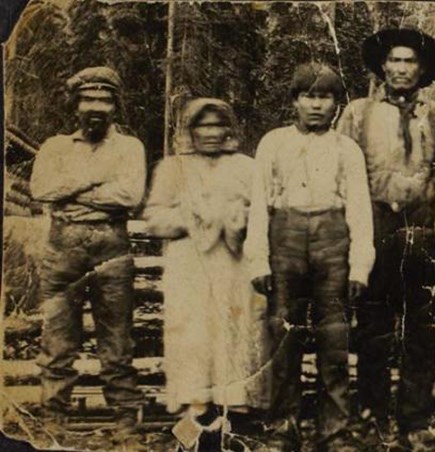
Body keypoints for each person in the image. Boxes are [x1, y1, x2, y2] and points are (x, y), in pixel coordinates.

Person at [244, 63, 375, 451]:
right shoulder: (273, 143)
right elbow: (257, 206)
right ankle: (284, 427)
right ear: (294, 101)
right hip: (285, 239)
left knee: (334, 339)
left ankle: (335, 430)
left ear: (336, 104)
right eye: (308, 96)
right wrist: (259, 260)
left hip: (332, 243)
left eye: (325, 97)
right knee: (283, 340)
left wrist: (360, 266)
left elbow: (360, 210)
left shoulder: (346, 149)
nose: (316, 105)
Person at [337, 27, 435, 448]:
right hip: (375, 226)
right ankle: (372, 413)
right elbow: (345, 172)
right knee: (373, 327)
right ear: (383, 66)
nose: (402, 69)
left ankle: (415, 418)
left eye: (410, 61)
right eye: (395, 61)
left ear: (421, 70)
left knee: (421, 328)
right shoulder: (358, 113)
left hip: (422, 229)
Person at [143, 98, 271, 450]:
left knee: (236, 328)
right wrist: (191, 215)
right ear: (190, 129)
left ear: (229, 129)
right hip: (189, 265)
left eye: (218, 125)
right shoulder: (171, 168)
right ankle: (197, 410)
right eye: (203, 126)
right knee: (192, 332)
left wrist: (234, 217)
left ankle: (236, 410)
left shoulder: (247, 167)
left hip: (234, 262)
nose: (211, 133)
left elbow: (262, 213)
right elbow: (154, 218)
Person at [30, 66, 146, 442]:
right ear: (75, 104)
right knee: (58, 341)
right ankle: (53, 423)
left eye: (104, 100)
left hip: (111, 246)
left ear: (116, 106)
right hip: (63, 248)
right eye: (88, 99)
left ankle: (127, 425)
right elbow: (42, 189)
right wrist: (97, 183)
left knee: (117, 342)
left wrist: (72, 192)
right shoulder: (54, 146)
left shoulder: (130, 147)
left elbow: (130, 196)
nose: (96, 107)